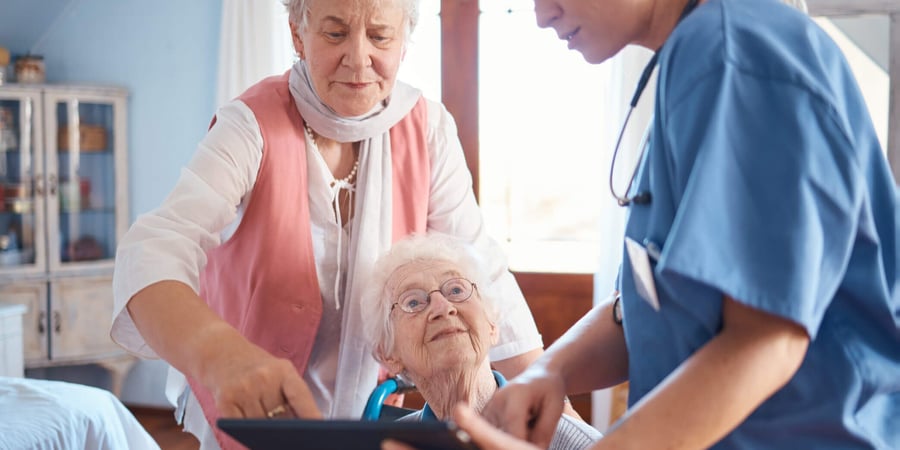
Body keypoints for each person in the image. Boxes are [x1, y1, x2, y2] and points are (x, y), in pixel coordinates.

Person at [386, 0, 900, 449]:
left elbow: (766, 340)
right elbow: (647, 304)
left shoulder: (733, 55)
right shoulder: (692, 61)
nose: (543, 14)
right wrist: (550, 372)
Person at [109, 0, 547, 448]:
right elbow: (152, 251)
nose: (358, 59)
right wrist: (220, 356)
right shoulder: (249, 125)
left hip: (371, 411)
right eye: (335, 34)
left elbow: (481, 267)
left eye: (379, 36)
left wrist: (551, 398)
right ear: (299, 35)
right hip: (253, 409)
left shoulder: (428, 127)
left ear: (404, 42)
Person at [363, 233, 601, 450]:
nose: (443, 308)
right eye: (413, 302)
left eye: (456, 290)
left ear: (492, 326)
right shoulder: (391, 444)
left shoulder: (575, 444)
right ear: (388, 354)